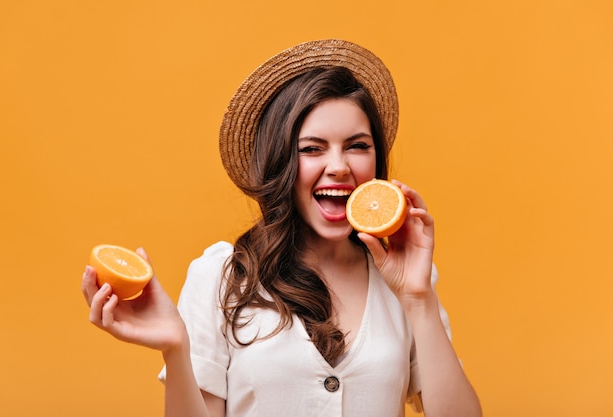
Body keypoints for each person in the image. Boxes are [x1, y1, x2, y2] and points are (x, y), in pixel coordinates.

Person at [82, 39, 482, 417]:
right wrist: (175, 348)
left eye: (358, 146)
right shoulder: (221, 276)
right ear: (282, 165)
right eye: (311, 148)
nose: (340, 165)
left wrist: (418, 298)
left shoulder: (408, 282)